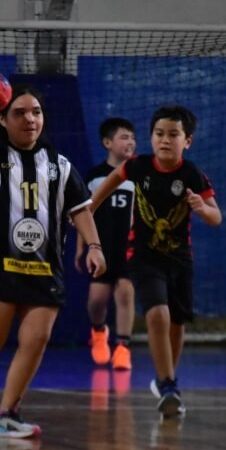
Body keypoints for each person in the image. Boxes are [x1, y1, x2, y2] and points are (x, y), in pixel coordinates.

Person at [0, 83, 106, 439]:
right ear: (2, 119)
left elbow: (80, 209)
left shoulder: (59, 165)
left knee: (35, 340)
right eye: (19, 113)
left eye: (36, 112)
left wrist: (94, 246)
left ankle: (7, 414)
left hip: (44, 268)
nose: (30, 119)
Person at [89, 105, 222, 417]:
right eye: (159, 134)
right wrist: (88, 209)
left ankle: (167, 377)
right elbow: (107, 185)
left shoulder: (192, 174)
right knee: (158, 315)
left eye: (173, 135)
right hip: (144, 258)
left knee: (176, 324)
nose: (165, 140)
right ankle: (167, 385)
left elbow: (216, 217)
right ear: (151, 137)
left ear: (187, 141)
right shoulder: (138, 167)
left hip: (180, 260)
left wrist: (202, 207)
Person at [75, 117, 137, 370]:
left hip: (129, 247)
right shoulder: (95, 177)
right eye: (124, 137)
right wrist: (83, 246)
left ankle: (123, 347)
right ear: (107, 143)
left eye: (133, 138)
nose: (130, 142)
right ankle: (99, 332)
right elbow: (83, 213)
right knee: (97, 300)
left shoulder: (137, 175)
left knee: (125, 292)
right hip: (101, 247)